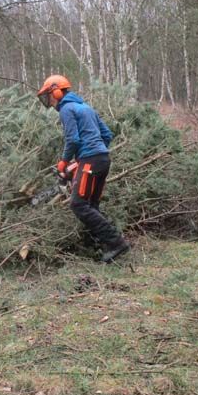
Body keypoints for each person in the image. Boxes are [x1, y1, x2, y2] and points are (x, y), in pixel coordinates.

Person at [37, 74, 130, 263]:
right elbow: (107, 134)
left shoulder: (66, 109)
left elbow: (73, 139)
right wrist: (91, 154)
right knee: (91, 205)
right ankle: (99, 246)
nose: (49, 101)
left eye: (49, 95)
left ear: (56, 91)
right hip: (102, 160)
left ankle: (116, 243)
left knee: (78, 204)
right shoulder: (85, 107)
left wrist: (65, 161)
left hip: (91, 160)